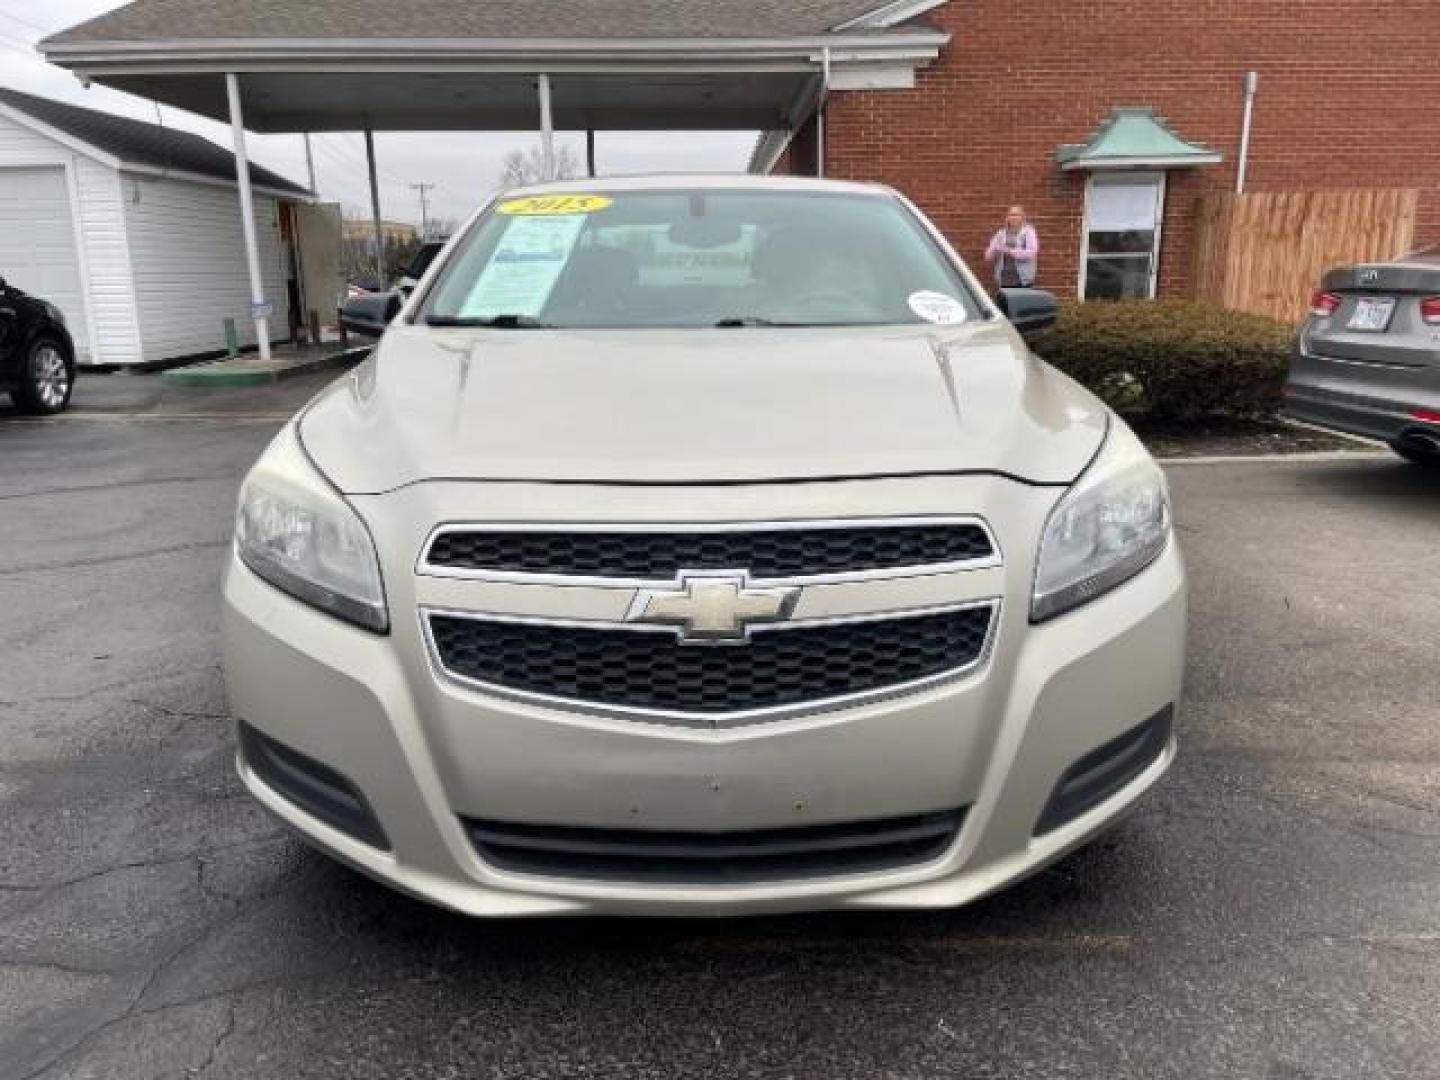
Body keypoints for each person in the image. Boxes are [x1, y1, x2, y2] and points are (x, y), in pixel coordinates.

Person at [984, 206, 1039, 288]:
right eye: (1011, 215)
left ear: (1022, 217)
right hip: (1003, 279)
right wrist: (995, 251)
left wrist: (1010, 251)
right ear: (1007, 218)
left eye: (1016, 215)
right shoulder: (1000, 234)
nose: (1013, 217)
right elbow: (988, 256)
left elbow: (1032, 252)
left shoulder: (1028, 232)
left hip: (1022, 279)